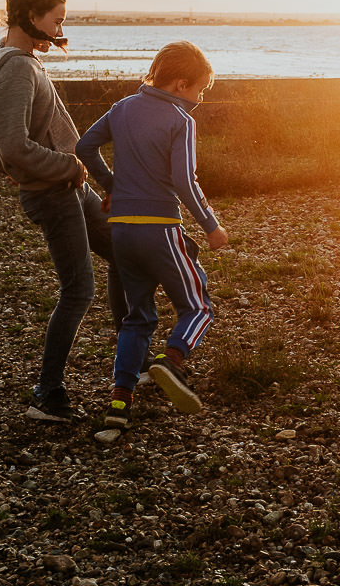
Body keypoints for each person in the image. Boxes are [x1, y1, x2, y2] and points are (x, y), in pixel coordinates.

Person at [0, 0, 124, 422]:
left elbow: (10, 146)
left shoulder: (23, 61)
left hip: (69, 187)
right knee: (79, 290)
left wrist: (81, 174)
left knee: (124, 252)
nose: (60, 31)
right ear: (31, 17)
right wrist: (67, 166)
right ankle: (47, 394)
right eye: (56, 21)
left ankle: (134, 360)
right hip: (52, 194)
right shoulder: (15, 69)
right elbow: (11, 147)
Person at [76, 41, 228, 427]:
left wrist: (113, 185)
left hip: (122, 232)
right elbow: (184, 180)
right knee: (197, 307)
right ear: (181, 84)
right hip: (159, 228)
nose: (200, 99)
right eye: (200, 90)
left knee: (137, 317)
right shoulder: (181, 120)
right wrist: (211, 225)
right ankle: (171, 361)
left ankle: (119, 403)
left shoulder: (123, 107)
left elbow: (84, 147)